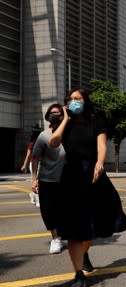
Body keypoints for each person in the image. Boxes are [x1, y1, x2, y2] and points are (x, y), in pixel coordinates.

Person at [49, 88, 126, 287]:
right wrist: (65, 118)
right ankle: (78, 275)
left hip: (92, 173)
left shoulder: (96, 120)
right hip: (70, 176)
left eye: (78, 99)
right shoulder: (63, 122)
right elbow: (53, 142)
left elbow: (101, 145)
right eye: (71, 99)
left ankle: (84, 253)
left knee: (91, 224)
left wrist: (100, 162)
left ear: (85, 101)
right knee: (74, 228)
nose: (74, 101)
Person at [31, 104, 66, 254]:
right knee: (48, 211)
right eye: (52, 113)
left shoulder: (69, 134)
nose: (55, 115)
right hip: (47, 179)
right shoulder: (44, 136)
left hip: (67, 180)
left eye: (58, 113)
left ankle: (64, 235)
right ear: (47, 116)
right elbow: (35, 158)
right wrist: (33, 179)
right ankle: (55, 238)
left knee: (64, 210)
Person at [21, 124, 42, 206]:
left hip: (41, 164)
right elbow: (28, 155)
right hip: (33, 164)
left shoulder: (42, 141)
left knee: (38, 182)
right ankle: (37, 200)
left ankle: (32, 194)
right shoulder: (32, 143)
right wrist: (25, 165)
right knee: (36, 182)